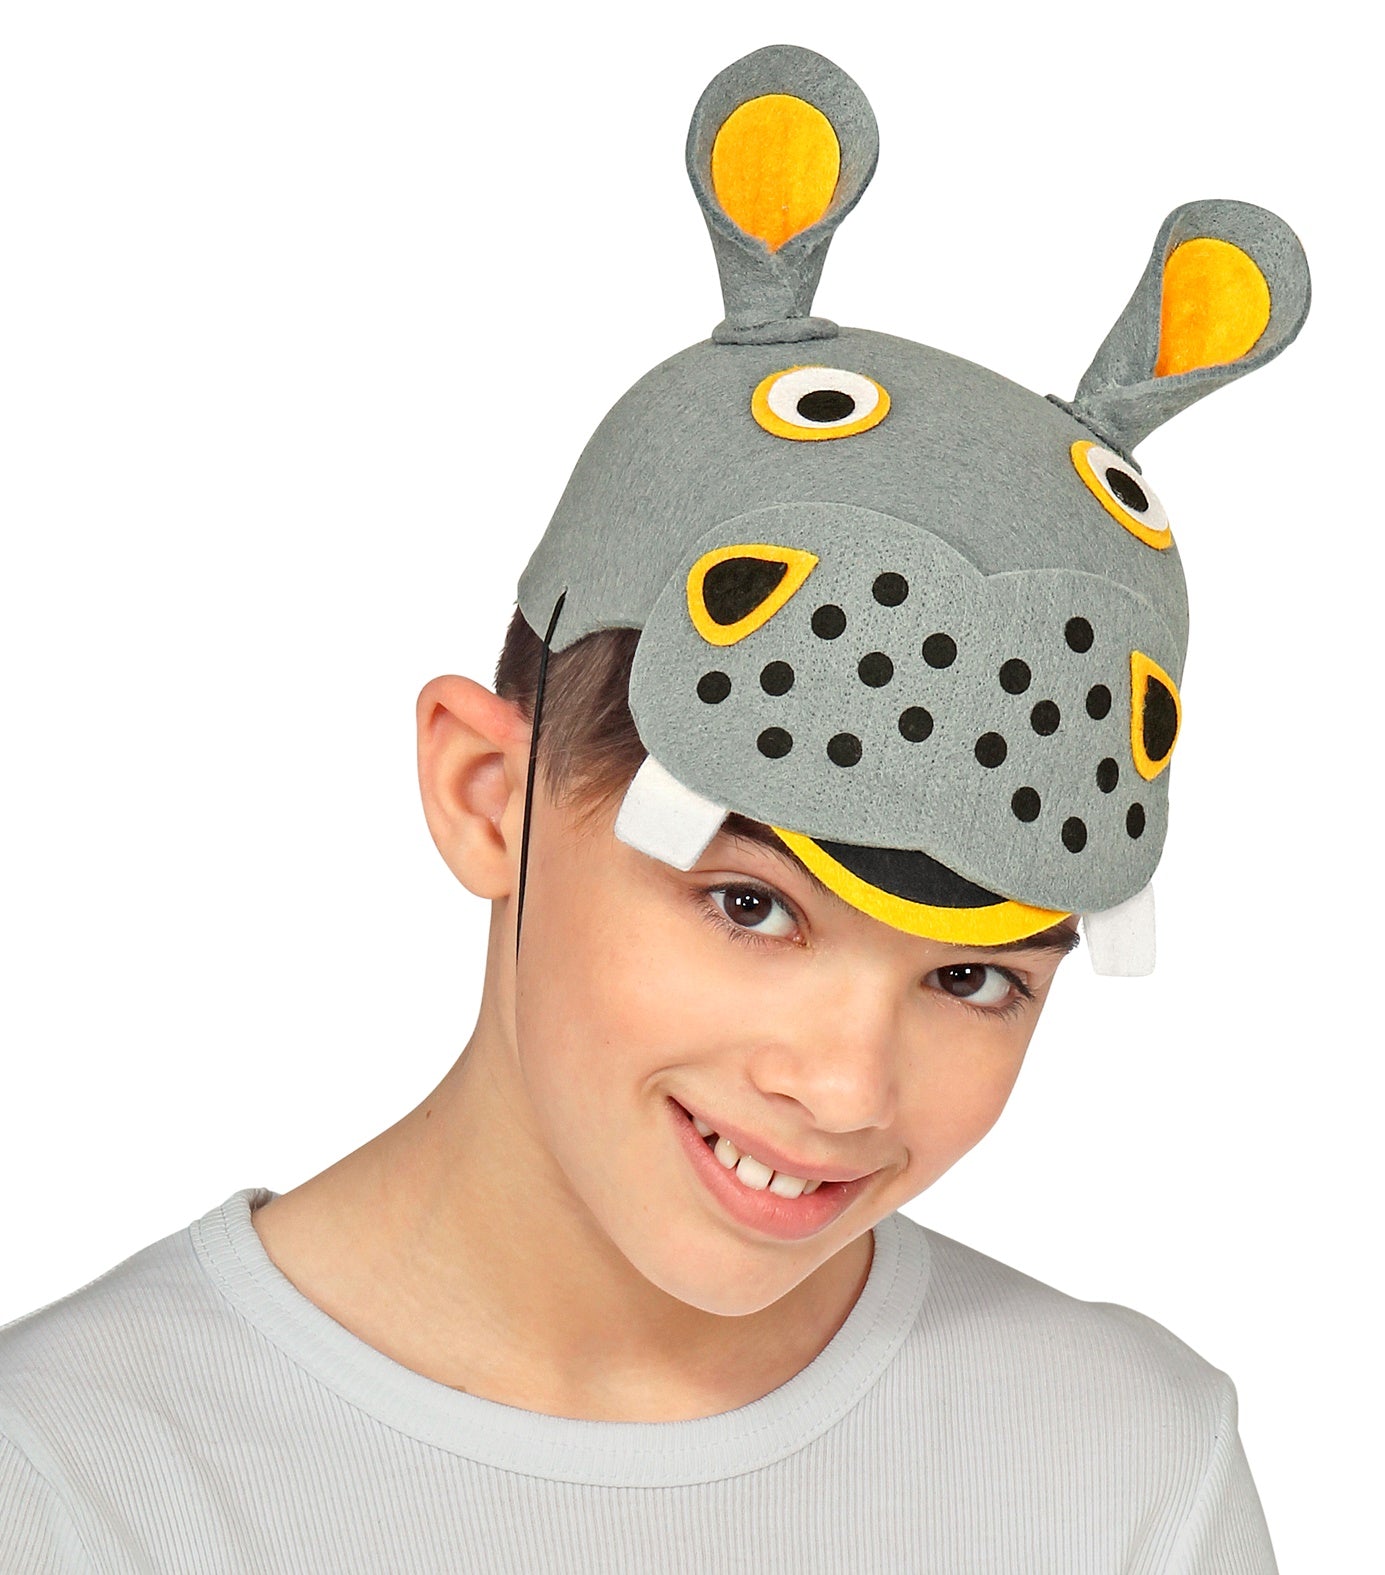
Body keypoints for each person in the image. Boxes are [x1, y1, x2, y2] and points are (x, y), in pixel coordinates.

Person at [0, 41, 1307, 1574]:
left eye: (972, 978)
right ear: (485, 793)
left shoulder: (1123, 1469)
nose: (843, 1090)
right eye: (750, 905)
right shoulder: (69, 1481)